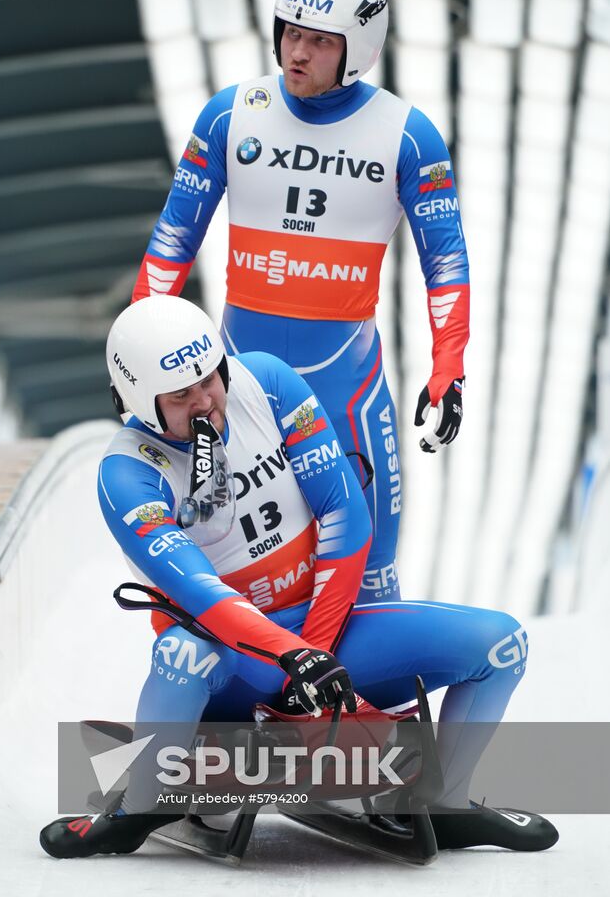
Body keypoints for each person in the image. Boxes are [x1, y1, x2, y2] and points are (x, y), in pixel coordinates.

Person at [39, 297, 556, 859]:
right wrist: (293, 658)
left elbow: (345, 511)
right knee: (183, 654)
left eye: (209, 379)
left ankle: (446, 800)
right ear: (141, 401)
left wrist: (312, 652)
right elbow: (199, 593)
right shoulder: (127, 474)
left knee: (503, 644)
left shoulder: (268, 382)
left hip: (323, 637)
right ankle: (137, 809)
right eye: (181, 395)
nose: (206, 401)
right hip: (233, 663)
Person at [130, 0, 470, 606]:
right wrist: (143, 365)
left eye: (319, 39)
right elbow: (172, 242)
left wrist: (448, 365)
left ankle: (373, 701)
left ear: (359, 44)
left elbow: (446, 264)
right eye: (289, 32)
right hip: (231, 394)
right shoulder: (231, 114)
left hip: (346, 391)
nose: (296, 51)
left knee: (369, 577)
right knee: (228, 571)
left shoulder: (407, 136)